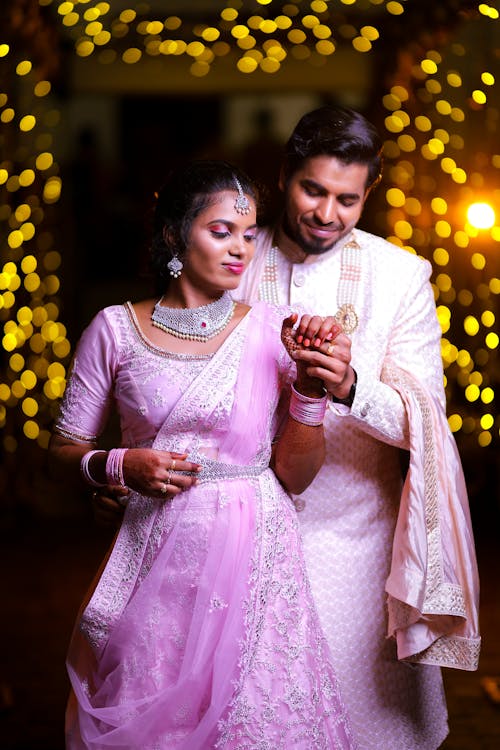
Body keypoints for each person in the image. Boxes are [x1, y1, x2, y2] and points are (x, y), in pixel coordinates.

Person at [49, 160, 355, 749]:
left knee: (258, 720)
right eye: (221, 232)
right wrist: (119, 465)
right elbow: (64, 451)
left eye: (248, 234)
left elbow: (294, 474)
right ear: (174, 234)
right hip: (155, 552)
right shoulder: (114, 330)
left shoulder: (273, 330)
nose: (241, 249)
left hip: (257, 551)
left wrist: (311, 390)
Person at [233, 104, 481, 749]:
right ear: (284, 176)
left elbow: (421, 422)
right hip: (235, 539)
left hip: (353, 545)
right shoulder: (231, 254)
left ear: (369, 191)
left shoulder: (400, 276)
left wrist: (349, 386)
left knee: (364, 730)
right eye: (312, 189)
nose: (326, 213)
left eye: (347, 198)